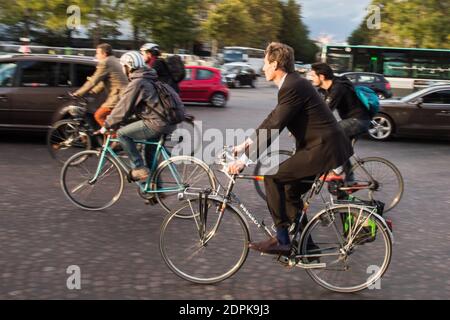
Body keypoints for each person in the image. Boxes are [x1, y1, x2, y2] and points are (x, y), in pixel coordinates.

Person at [228, 42, 353, 255]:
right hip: (322, 147)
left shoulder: (293, 85)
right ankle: (308, 248)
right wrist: (246, 144)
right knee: (289, 191)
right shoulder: (293, 83)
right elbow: (272, 119)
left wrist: (244, 161)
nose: (263, 68)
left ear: (275, 64)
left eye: (266, 64)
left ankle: (282, 240)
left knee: (272, 178)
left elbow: (275, 127)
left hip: (322, 149)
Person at [100, 51, 176, 181]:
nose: (123, 69)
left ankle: (138, 167)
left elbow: (123, 107)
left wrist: (107, 125)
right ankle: (155, 189)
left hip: (156, 124)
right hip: (167, 122)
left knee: (122, 134)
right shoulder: (149, 78)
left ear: (128, 66)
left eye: (123, 66)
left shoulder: (137, 82)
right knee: (150, 154)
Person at [309, 62, 372, 181]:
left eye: (313, 75)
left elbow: (325, 111)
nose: (310, 78)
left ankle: (336, 171)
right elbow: (315, 107)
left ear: (321, 77)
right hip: (354, 120)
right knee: (342, 149)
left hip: (358, 120)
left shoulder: (338, 88)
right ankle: (349, 181)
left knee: (331, 133)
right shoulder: (326, 89)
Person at [73, 43, 129, 127]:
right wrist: (92, 92)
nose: (96, 56)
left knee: (99, 115)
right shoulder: (113, 60)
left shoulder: (105, 62)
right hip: (123, 95)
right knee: (107, 118)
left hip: (118, 96)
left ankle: (113, 137)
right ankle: (107, 137)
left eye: (98, 53)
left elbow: (94, 80)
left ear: (104, 54)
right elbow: (102, 82)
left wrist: (78, 93)